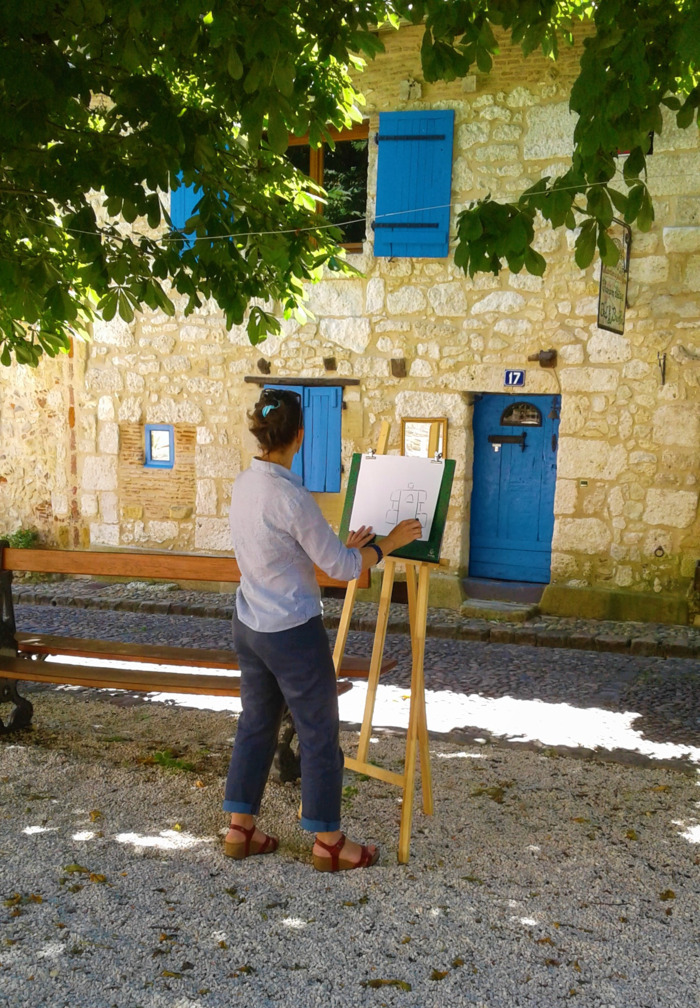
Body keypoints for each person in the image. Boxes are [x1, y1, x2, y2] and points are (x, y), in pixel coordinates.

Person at [223, 388, 421, 872]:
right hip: (291, 630)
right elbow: (342, 567)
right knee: (317, 730)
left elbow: (294, 551)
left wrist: (344, 547)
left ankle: (240, 827)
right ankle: (329, 841)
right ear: (300, 436)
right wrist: (389, 543)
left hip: (250, 622)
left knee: (256, 723)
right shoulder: (291, 495)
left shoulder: (245, 484)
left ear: (260, 432)